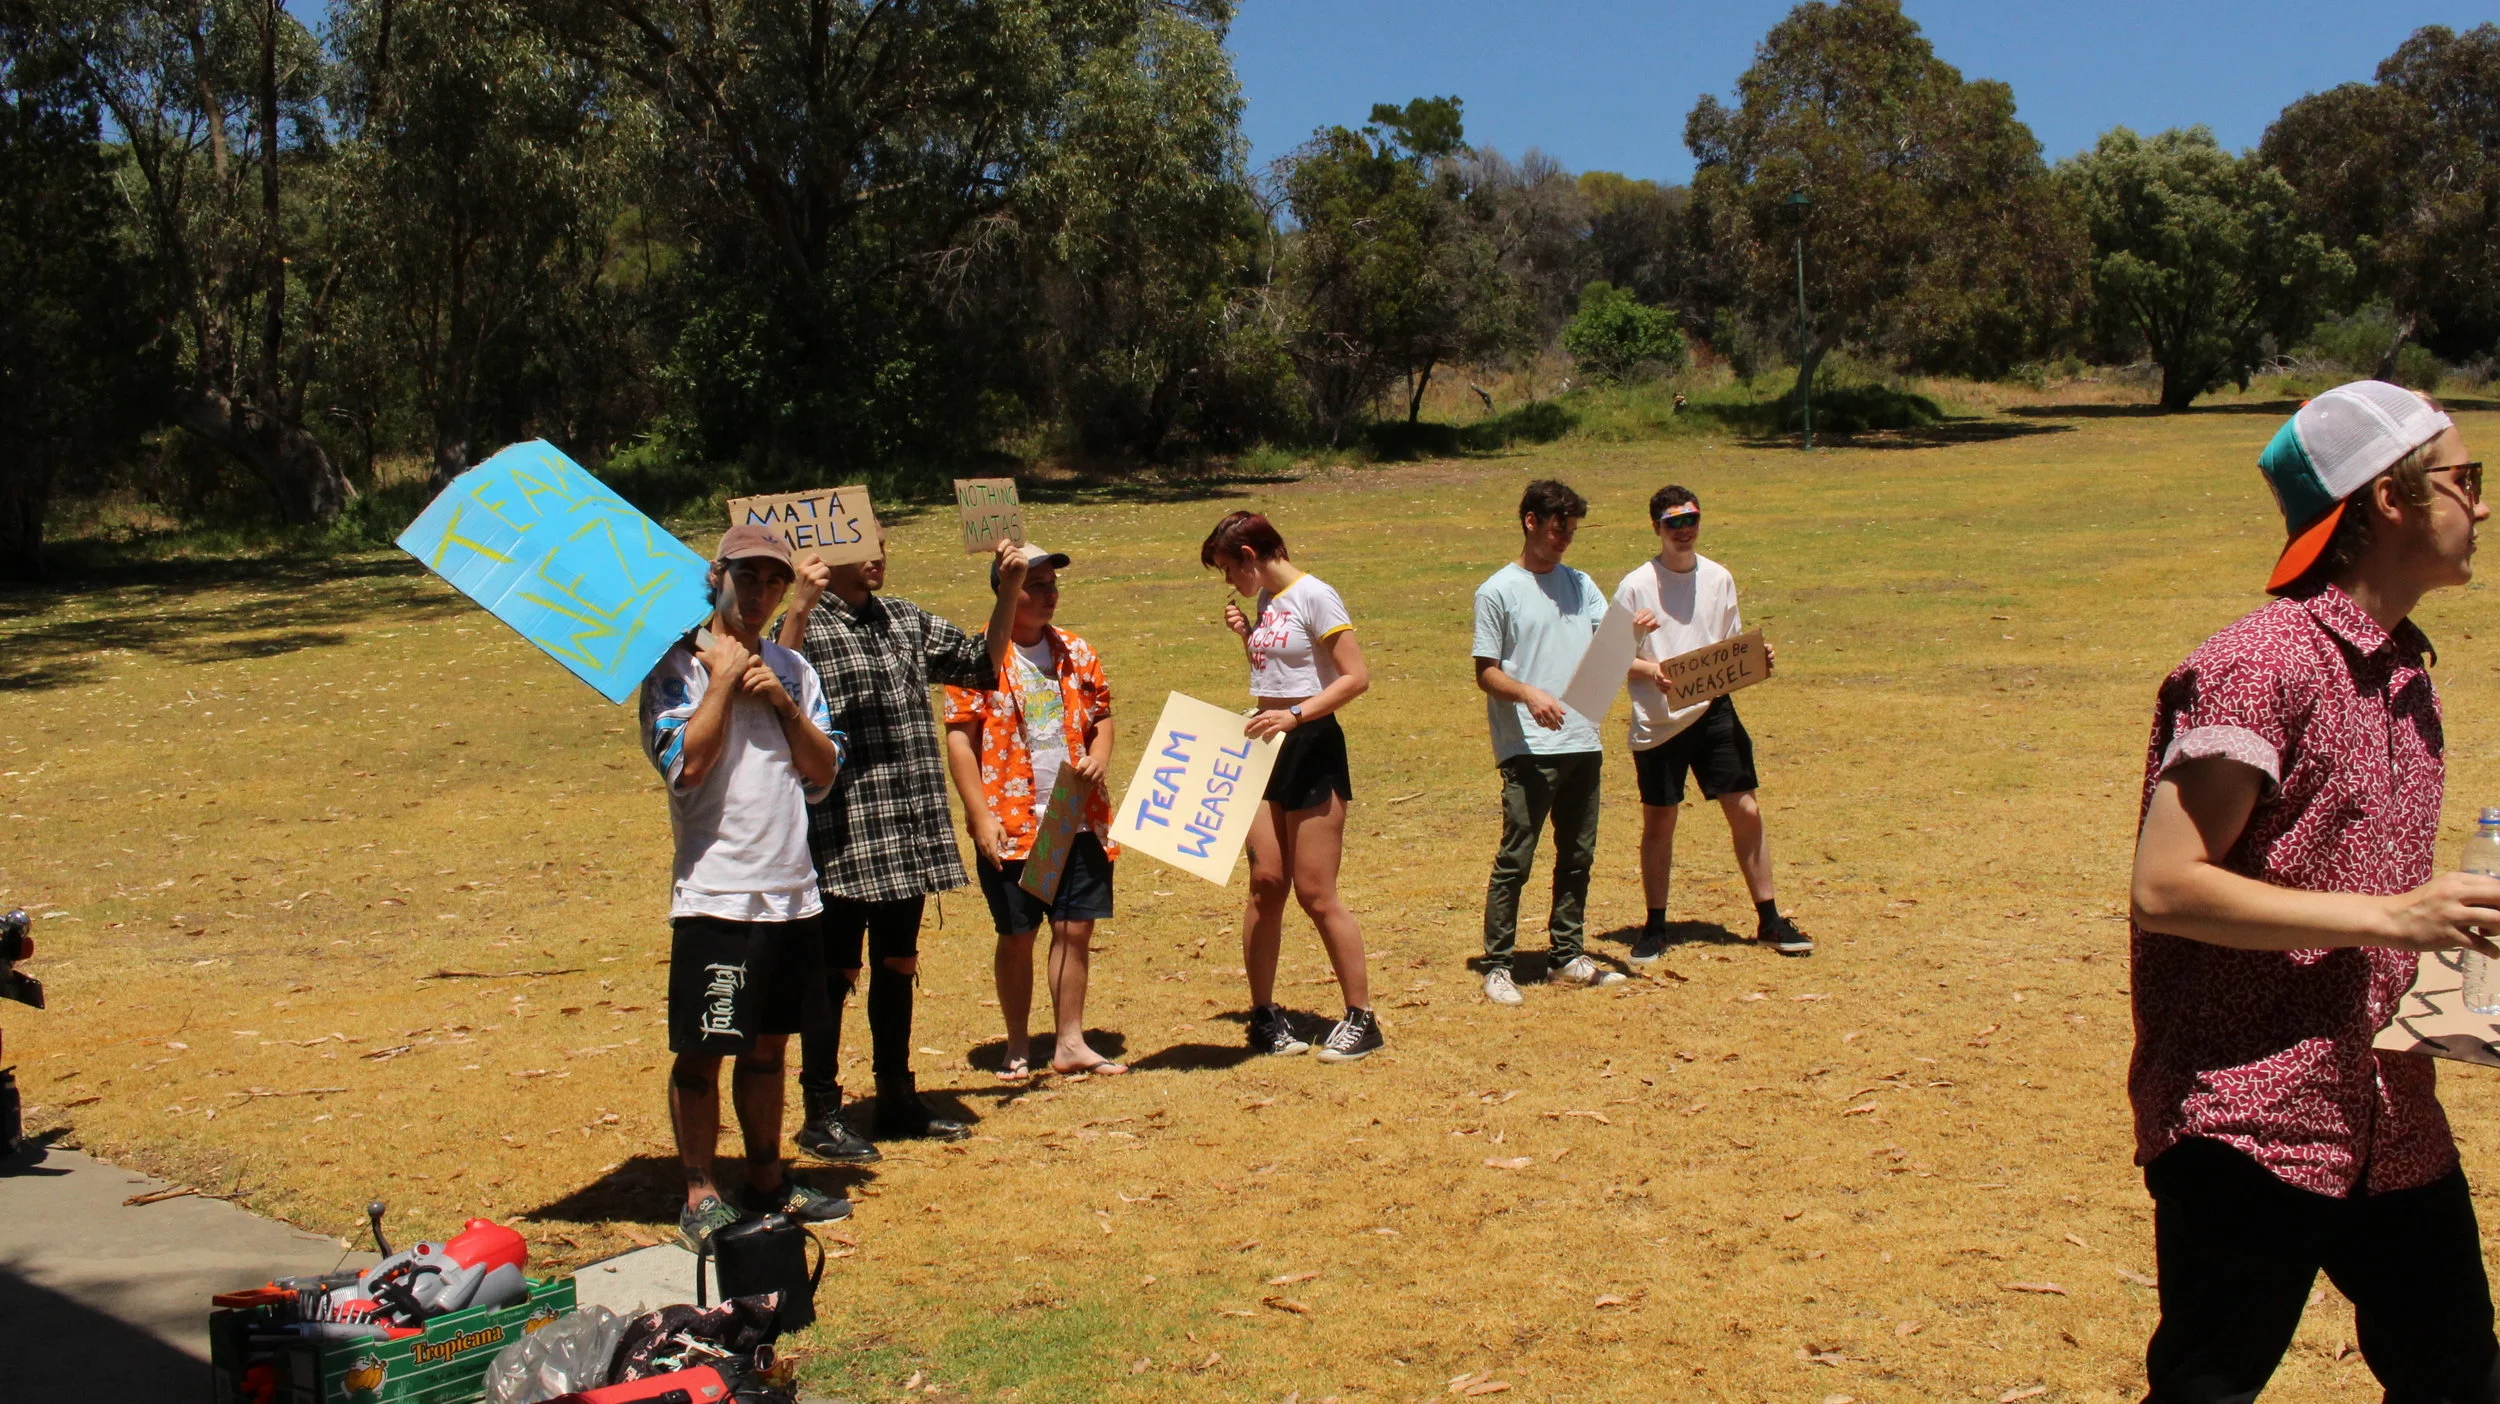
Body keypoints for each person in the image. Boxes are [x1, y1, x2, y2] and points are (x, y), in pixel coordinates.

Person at [2127, 381, 2500, 1401]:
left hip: (2389, 1115)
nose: (2481, 504)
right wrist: (2396, 917)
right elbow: (2166, 887)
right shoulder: (2260, 665)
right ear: (2388, 498)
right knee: (2209, 1387)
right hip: (2251, 1118)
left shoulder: (2403, 673)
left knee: (2458, 1378)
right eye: (2463, 479)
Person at [640, 524, 854, 1252]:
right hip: (717, 894)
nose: (760, 593)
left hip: (792, 891)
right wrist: (727, 682)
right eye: (747, 577)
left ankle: (767, 1179)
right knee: (705, 1049)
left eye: (773, 581)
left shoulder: (795, 668)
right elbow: (687, 768)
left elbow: (823, 772)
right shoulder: (677, 668)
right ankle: (700, 1192)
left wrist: (785, 704)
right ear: (716, 577)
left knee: (769, 1047)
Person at [776, 532, 1024, 1156]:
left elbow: (980, 664)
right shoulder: (804, 623)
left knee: (897, 963)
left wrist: (1009, 589)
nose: (877, 554)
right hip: (843, 827)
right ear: (826, 552)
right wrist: (799, 606)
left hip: (907, 826)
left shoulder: (903, 618)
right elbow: (774, 689)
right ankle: (821, 1110)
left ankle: (896, 1097)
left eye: (881, 542)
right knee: (833, 973)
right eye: (862, 543)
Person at [940, 544, 1126, 1080]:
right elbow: (960, 741)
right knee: (1018, 934)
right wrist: (979, 814)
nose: (1049, 595)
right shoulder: (976, 656)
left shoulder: (1075, 649)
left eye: (1052, 585)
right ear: (1006, 590)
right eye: (1035, 585)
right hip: (1012, 820)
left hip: (1073, 812)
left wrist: (1099, 757)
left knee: (1074, 929)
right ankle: (1018, 1044)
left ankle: (1070, 1042)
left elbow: (1101, 716)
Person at [1202, 510, 1382, 1062]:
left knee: (1315, 892)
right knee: (1266, 881)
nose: (1228, 580)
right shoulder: (1267, 601)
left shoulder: (1314, 595)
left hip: (1311, 745)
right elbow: (1277, 674)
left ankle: (1362, 1018)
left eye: (1228, 568)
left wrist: (1297, 715)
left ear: (1250, 556)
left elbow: (1355, 676)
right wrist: (1247, 637)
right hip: (1265, 745)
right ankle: (1263, 1016)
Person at [1613, 486, 1810, 960]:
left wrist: (1757, 658)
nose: (1684, 530)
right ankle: (1655, 927)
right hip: (1660, 720)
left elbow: (1729, 649)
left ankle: (1769, 920)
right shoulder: (1635, 586)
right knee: (1660, 820)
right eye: (1673, 522)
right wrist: (1651, 671)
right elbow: (1612, 657)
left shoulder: (1719, 578)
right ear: (1656, 527)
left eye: (1691, 520)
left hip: (1714, 711)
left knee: (1747, 811)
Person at [1472, 479, 1628, 1005]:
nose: (1565, 539)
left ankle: (1566, 956)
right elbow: (1486, 673)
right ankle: (1498, 965)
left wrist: (1640, 638)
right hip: (1529, 747)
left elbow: (1610, 648)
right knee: (1517, 858)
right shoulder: (1498, 591)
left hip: (1583, 739)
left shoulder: (1581, 584)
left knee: (1578, 855)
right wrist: (1528, 694)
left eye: (1572, 530)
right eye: (1559, 528)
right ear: (1531, 522)